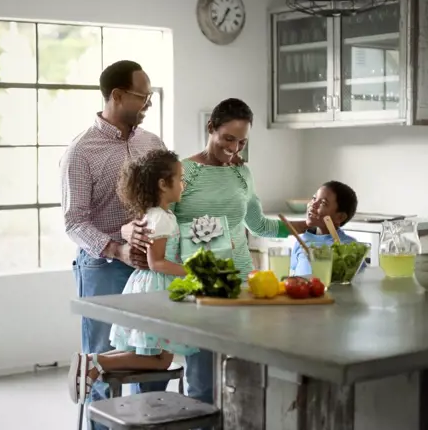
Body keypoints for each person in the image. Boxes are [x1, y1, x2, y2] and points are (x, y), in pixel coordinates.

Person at [159, 97, 307, 404]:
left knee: (241, 380)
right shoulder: (184, 171)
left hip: (241, 282)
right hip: (199, 285)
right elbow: (165, 225)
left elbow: (259, 226)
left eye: (241, 142)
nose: (234, 148)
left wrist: (306, 225)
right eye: (228, 138)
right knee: (203, 382)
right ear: (210, 128)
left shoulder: (243, 173)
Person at [60, 60, 169, 418]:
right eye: (143, 96)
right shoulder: (81, 151)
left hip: (151, 269)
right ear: (117, 96)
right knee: (104, 369)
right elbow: (74, 221)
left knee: (153, 360)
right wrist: (118, 248)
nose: (148, 104)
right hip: (103, 268)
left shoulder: (152, 143)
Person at [67, 149, 198, 403]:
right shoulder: (162, 218)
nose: (184, 183)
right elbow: (156, 262)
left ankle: (91, 361)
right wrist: (192, 271)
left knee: (142, 351)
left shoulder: (153, 214)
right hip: (158, 291)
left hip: (146, 286)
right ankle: (96, 362)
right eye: (180, 178)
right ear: (163, 184)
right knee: (161, 358)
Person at [290, 180, 360, 275]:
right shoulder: (301, 241)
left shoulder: (350, 247)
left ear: (340, 217)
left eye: (323, 203)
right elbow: (293, 274)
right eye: (314, 198)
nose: (313, 205)